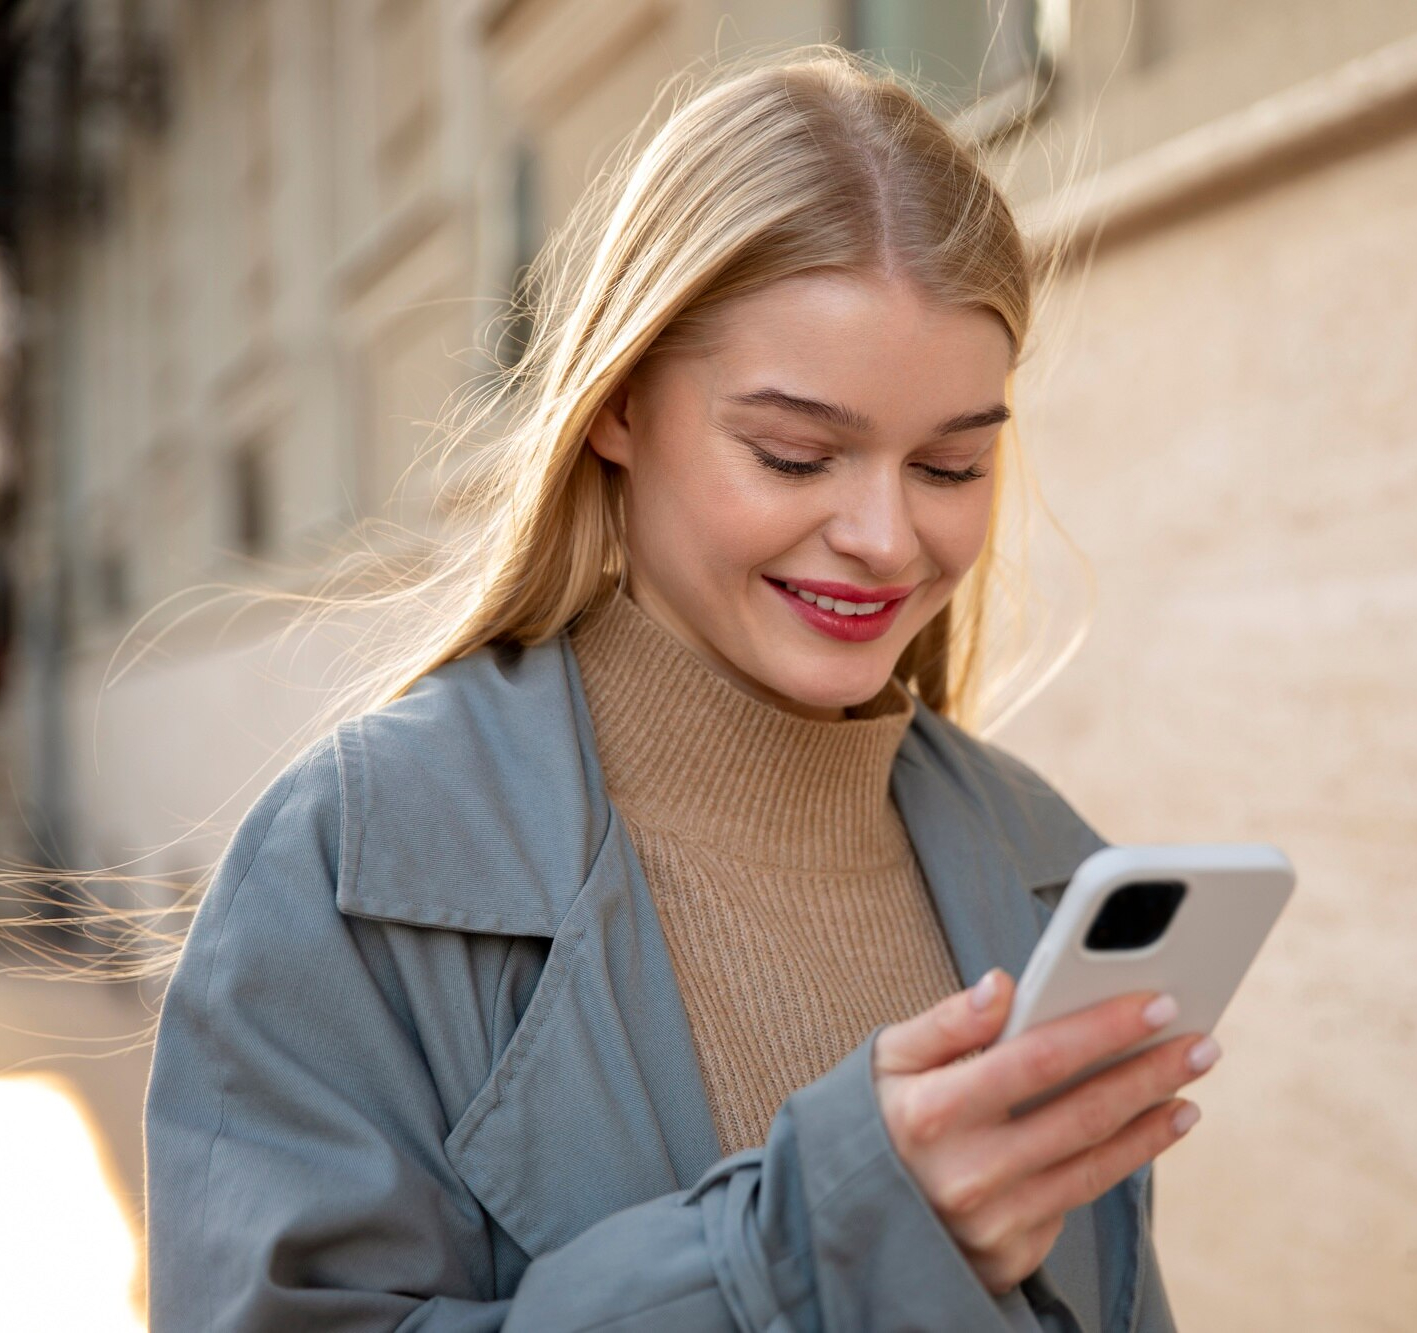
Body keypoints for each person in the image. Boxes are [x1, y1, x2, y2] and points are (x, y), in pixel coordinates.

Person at [143, 47, 1214, 1331]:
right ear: (618, 406)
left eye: (947, 466)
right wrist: (792, 1256)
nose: (883, 536)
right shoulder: (355, 865)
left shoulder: (1045, 868)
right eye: (794, 452)